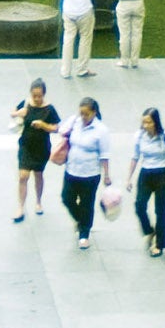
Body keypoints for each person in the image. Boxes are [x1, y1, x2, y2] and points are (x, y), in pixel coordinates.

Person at [56, 96, 110, 246]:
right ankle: (81, 221)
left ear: (94, 113)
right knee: (67, 198)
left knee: (87, 203)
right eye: (81, 113)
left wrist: (107, 175)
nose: (83, 117)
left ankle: (84, 232)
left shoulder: (101, 130)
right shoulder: (76, 122)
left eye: (86, 114)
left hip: (90, 174)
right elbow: (60, 129)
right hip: (72, 169)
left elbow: (105, 155)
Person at [129, 108, 165, 256]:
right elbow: (135, 157)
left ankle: (159, 244)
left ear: (155, 122)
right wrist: (129, 177)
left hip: (163, 174)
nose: (145, 125)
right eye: (143, 122)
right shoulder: (139, 136)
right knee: (139, 205)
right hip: (146, 173)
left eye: (149, 122)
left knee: (160, 210)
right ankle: (149, 231)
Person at [9, 79, 60, 223]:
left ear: (44, 94)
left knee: (38, 174)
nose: (37, 99)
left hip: (41, 147)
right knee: (23, 176)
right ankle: (20, 206)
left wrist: (43, 125)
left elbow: (56, 127)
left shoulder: (49, 109)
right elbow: (12, 113)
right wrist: (19, 113)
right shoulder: (26, 103)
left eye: (39, 96)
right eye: (34, 96)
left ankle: (38, 201)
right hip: (26, 145)